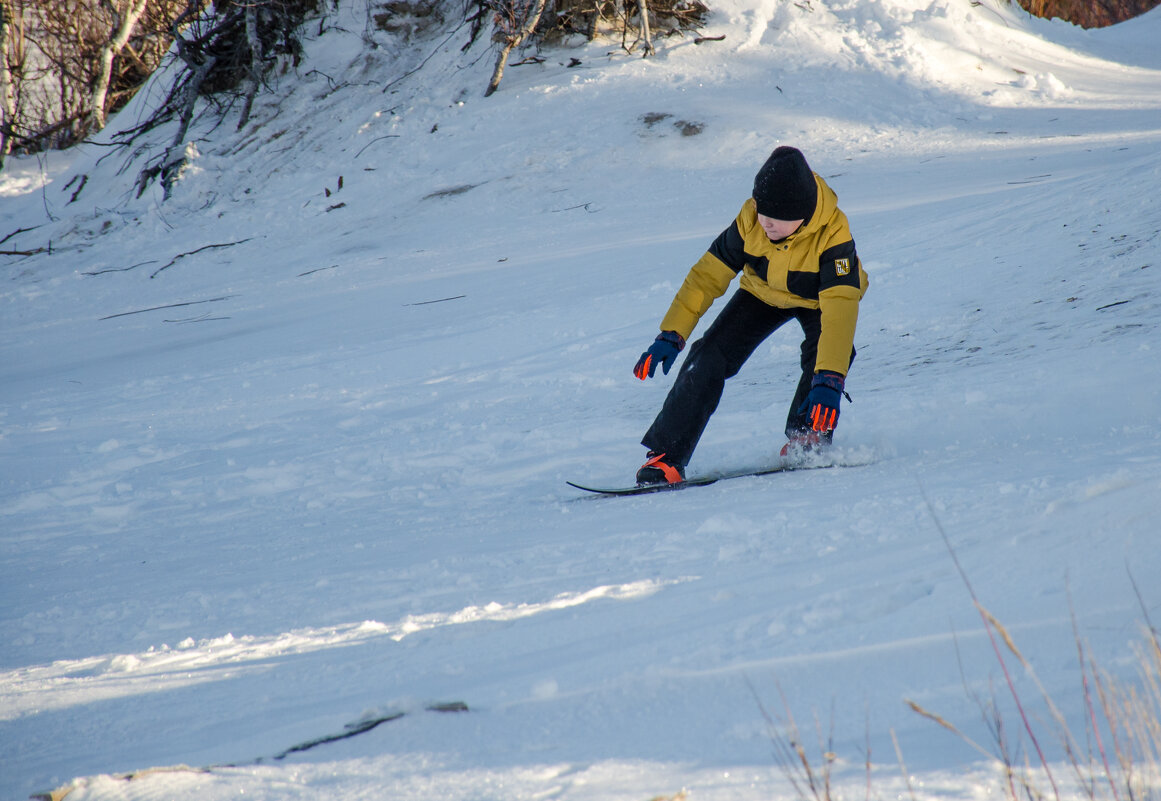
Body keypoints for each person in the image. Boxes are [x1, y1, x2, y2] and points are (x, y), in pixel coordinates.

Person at [632, 146, 869, 486]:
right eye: (762, 212)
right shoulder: (751, 220)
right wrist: (672, 333)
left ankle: (807, 438)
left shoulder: (834, 233)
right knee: (708, 355)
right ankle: (666, 456)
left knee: (830, 356)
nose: (765, 222)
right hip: (763, 292)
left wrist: (830, 378)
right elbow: (706, 276)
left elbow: (841, 306)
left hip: (820, 300)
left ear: (801, 215)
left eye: (776, 216)